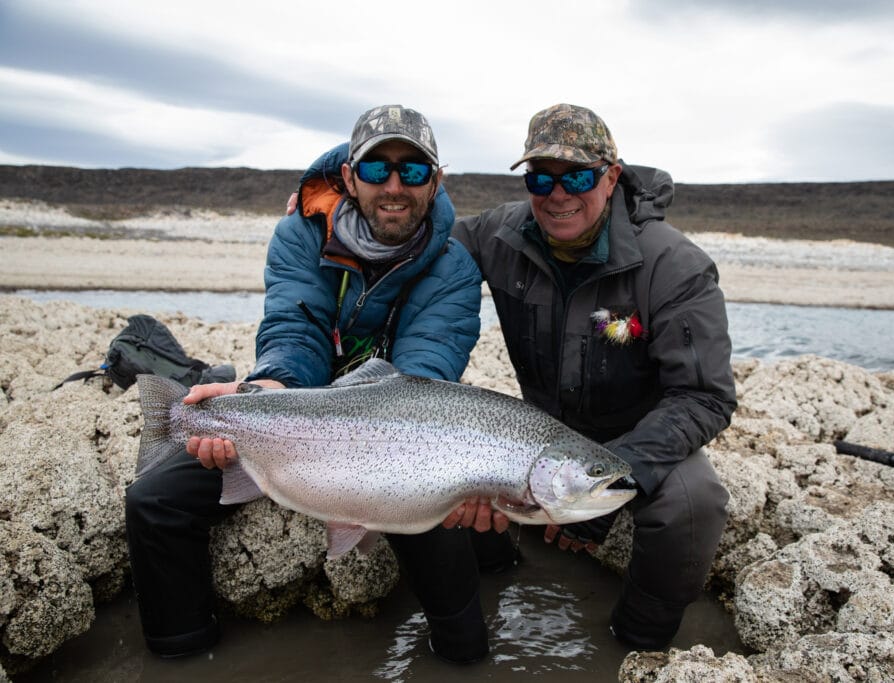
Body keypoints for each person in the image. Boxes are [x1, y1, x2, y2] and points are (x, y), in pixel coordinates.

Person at [294, 104, 736, 652]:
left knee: (694, 501)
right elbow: (411, 229)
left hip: (640, 438)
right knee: (447, 465)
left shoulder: (673, 267)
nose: (557, 194)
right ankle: (499, 568)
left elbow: (705, 397)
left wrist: (611, 488)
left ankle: (638, 644)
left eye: (576, 176)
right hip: (538, 437)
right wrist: (327, 207)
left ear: (612, 175)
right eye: (539, 178)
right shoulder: (501, 235)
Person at [124, 104, 487, 662]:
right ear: (349, 176)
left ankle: (462, 657)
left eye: (413, 171)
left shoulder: (454, 269)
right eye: (376, 169)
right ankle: (182, 653)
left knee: (449, 533)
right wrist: (265, 391)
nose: (394, 185)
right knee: (153, 500)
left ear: (435, 182)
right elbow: (296, 330)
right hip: (292, 414)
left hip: (397, 434)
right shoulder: (301, 235)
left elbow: (424, 376)